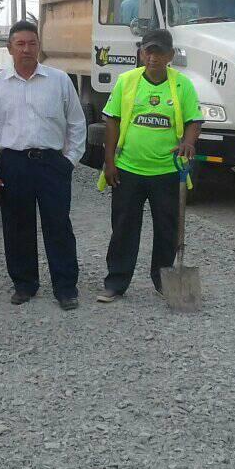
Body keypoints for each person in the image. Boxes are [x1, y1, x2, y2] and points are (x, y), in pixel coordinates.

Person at [0, 20, 86, 310]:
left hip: (52, 163)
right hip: (13, 163)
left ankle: (65, 287)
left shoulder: (59, 80)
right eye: (20, 44)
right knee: (17, 226)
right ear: (9, 48)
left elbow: (77, 124)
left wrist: (70, 161)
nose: (26, 49)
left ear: (39, 46)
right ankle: (24, 284)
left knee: (58, 225)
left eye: (32, 43)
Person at [97, 29, 203, 302]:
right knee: (123, 228)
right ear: (141, 53)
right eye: (148, 51)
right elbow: (112, 121)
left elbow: (194, 120)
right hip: (128, 169)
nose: (153, 57)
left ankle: (163, 281)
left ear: (170, 55)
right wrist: (109, 162)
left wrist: (189, 142)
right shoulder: (127, 81)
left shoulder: (182, 85)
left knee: (167, 230)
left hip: (167, 172)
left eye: (159, 52)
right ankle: (116, 282)